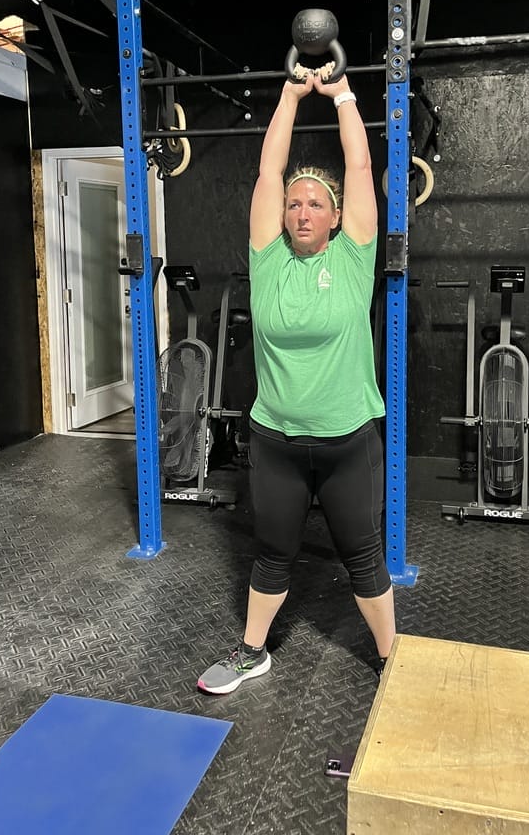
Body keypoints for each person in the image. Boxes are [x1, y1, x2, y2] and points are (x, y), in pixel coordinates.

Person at [197, 68, 395, 695]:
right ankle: (253, 650)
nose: (302, 210)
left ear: (337, 217)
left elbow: (361, 171)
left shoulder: (355, 255)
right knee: (272, 551)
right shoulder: (268, 257)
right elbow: (266, 171)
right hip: (277, 441)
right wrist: (287, 97)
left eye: (316, 203)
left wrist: (340, 96)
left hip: (348, 442)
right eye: (295, 202)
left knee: (363, 556)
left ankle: (392, 658)